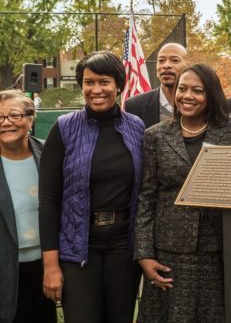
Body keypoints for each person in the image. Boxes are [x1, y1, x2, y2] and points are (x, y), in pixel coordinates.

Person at [134, 63, 231, 323]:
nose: (187, 96)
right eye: (182, 89)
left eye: (198, 90)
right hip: (169, 251)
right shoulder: (156, 136)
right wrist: (144, 254)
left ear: (211, 95)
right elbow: (146, 197)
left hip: (218, 249)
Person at [38, 51, 145, 323]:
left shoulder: (136, 128)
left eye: (104, 82)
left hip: (123, 247)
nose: (96, 89)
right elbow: (49, 200)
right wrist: (51, 265)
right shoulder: (64, 129)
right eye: (89, 82)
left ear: (118, 85)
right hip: (78, 249)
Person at [0, 90, 56, 323]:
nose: (6, 123)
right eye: (0, 118)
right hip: (4, 268)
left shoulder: (50, 154)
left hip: (45, 267)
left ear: (31, 120)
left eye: (14, 115)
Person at [125, 43, 188, 128]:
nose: (166, 66)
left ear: (188, 66)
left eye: (175, 60)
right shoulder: (134, 106)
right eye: (161, 61)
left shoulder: (202, 104)